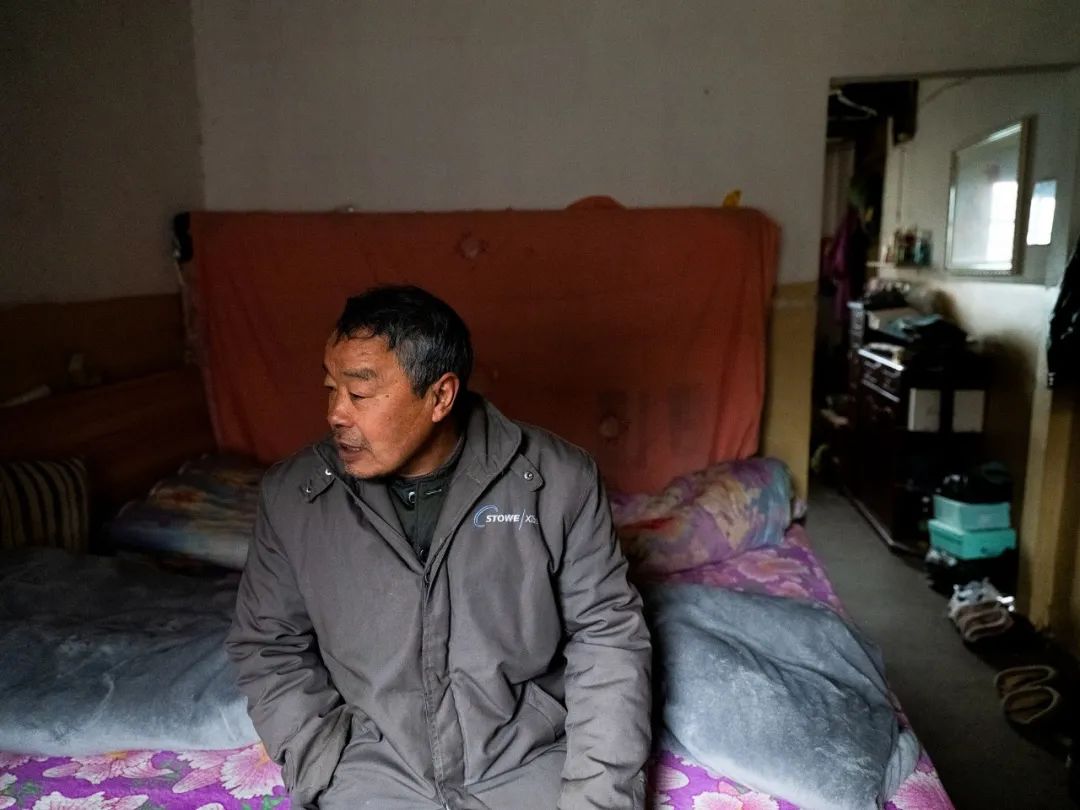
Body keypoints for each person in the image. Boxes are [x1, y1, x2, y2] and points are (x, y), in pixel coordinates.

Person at [226, 285, 651, 809]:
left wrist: (599, 800)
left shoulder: (559, 481)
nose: (336, 413)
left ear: (440, 396)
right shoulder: (295, 496)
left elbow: (607, 638)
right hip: (372, 776)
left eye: (359, 394)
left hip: (526, 764)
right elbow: (268, 643)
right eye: (330, 388)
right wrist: (321, 760)